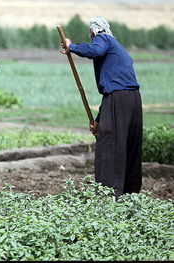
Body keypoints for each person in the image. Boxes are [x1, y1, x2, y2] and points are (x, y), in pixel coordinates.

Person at [60, 16, 142, 198]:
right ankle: (130, 193)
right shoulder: (116, 47)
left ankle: (109, 194)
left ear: (93, 31)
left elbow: (94, 50)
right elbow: (110, 96)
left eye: (90, 34)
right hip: (131, 99)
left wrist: (71, 47)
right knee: (128, 144)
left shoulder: (102, 38)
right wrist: (99, 121)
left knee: (110, 145)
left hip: (119, 98)